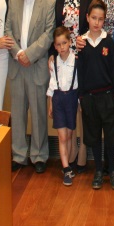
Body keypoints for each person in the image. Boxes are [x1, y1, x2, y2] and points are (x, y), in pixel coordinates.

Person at [3, 0, 55, 172]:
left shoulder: (48, 2)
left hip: (36, 65)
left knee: (38, 113)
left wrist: (29, 55)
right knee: (17, 113)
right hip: (17, 65)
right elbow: (7, 30)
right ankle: (18, 154)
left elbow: (49, 34)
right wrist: (18, 53)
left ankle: (39, 155)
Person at [52, 0, 93, 172]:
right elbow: (54, 28)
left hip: (83, 59)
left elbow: (96, 25)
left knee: (82, 106)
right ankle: (73, 151)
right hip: (63, 59)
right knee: (69, 105)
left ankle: (83, 151)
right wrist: (53, 52)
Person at [76, 0, 114, 191]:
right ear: (87, 18)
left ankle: (112, 170)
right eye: (93, 18)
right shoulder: (81, 43)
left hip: (108, 97)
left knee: (112, 137)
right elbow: (79, 71)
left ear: (105, 21)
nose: (96, 22)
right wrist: (81, 97)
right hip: (89, 98)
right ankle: (98, 170)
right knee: (93, 136)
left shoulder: (108, 42)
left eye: (100, 19)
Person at [47, 27, 79, 186]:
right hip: (58, 98)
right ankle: (66, 168)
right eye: (58, 44)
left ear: (70, 42)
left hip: (72, 98)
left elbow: (80, 84)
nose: (62, 47)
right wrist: (50, 104)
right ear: (55, 46)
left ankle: (69, 163)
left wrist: (80, 103)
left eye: (64, 43)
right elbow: (52, 85)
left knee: (70, 133)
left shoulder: (76, 60)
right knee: (62, 136)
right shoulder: (54, 62)